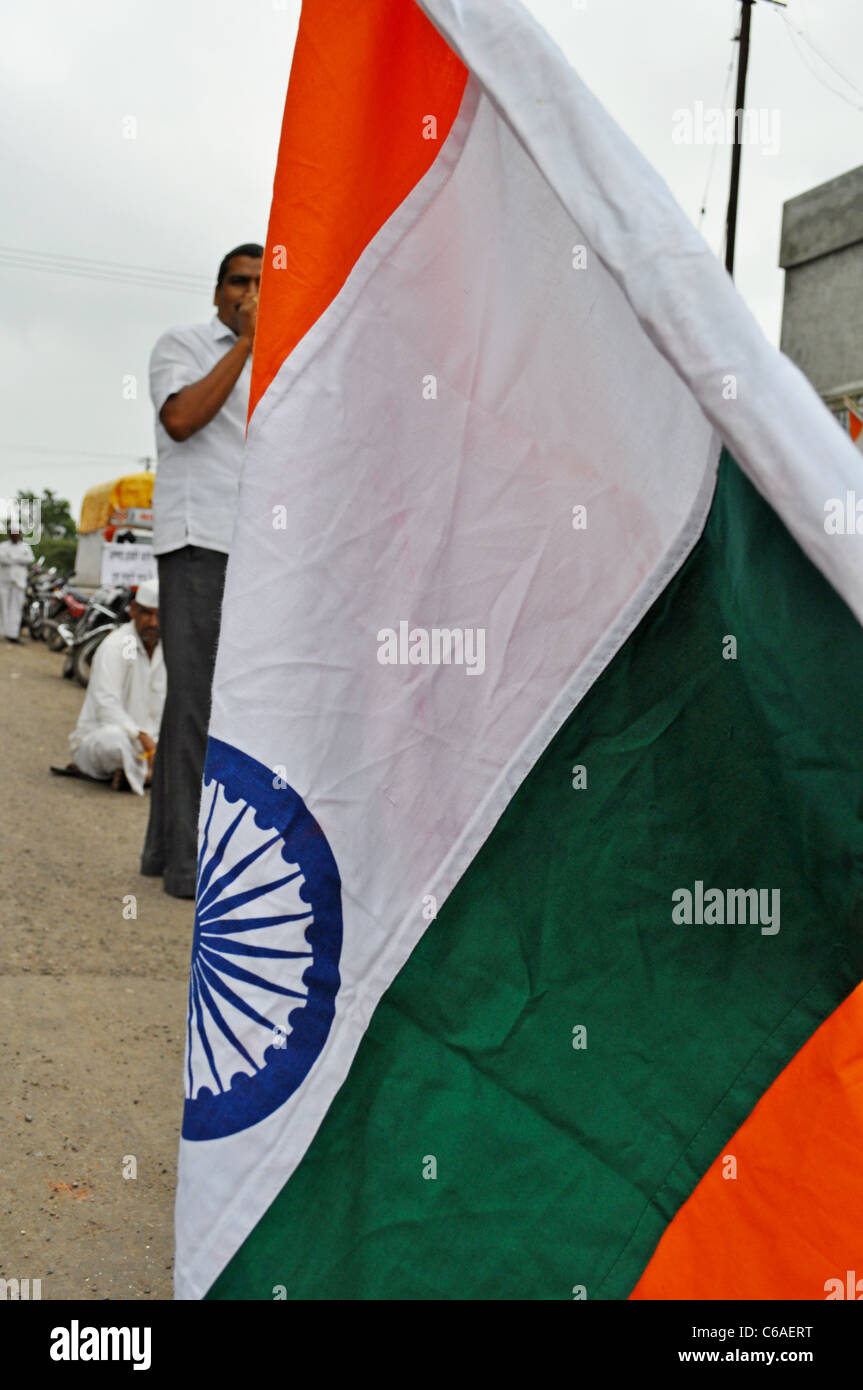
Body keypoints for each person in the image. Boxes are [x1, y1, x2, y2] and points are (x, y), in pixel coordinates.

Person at [141, 242, 262, 897]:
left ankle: (164, 850)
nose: (250, 293)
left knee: (210, 700)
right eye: (240, 282)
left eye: (263, 283)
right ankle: (189, 862)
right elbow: (183, 420)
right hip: (196, 543)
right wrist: (242, 345)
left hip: (253, 549)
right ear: (219, 291)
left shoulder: (281, 359)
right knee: (196, 702)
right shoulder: (182, 344)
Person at [57, 579, 165, 794]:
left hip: (151, 746)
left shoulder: (168, 651)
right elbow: (106, 704)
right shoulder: (121, 645)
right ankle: (147, 774)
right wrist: (140, 737)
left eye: (159, 615)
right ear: (133, 610)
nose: (153, 622)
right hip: (112, 739)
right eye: (146, 613)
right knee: (114, 741)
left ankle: (140, 773)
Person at [0, 530, 35, 641]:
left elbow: (30, 559)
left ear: (20, 534)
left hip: (19, 582)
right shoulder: (3, 546)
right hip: (4, 580)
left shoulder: (25, 547)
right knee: (2, 606)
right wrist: (18, 559)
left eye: (17, 533)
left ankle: (12, 634)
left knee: (16, 607)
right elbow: (2, 558)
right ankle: (1, 632)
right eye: (12, 533)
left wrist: (12, 558)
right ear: (9, 533)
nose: (15, 535)